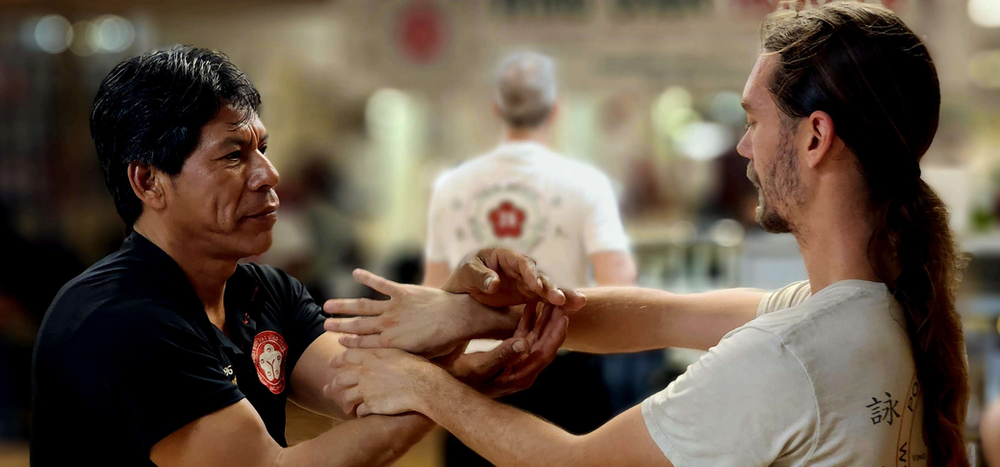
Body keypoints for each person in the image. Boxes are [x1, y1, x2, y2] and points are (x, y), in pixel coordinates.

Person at [323, 3, 970, 465]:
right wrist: (464, 315)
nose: (744, 145)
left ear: (814, 136)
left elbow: (575, 462)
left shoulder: (788, 356)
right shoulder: (867, 308)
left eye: (754, 118)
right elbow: (655, 314)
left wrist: (425, 386)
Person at [30, 45, 574, 467]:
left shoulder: (261, 290)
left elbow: (363, 393)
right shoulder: (121, 322)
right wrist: (463, 381)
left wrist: (464, 309)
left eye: (261, 149)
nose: (269, 175)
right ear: (149, 181)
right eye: (234, 155)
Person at [423, 51, 635, 291]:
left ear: (497, 108)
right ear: (556, 109)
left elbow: (434, 289)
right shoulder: (588, 183)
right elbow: (618, 279)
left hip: (471, 330)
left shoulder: (450, 185)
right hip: (561, 329)